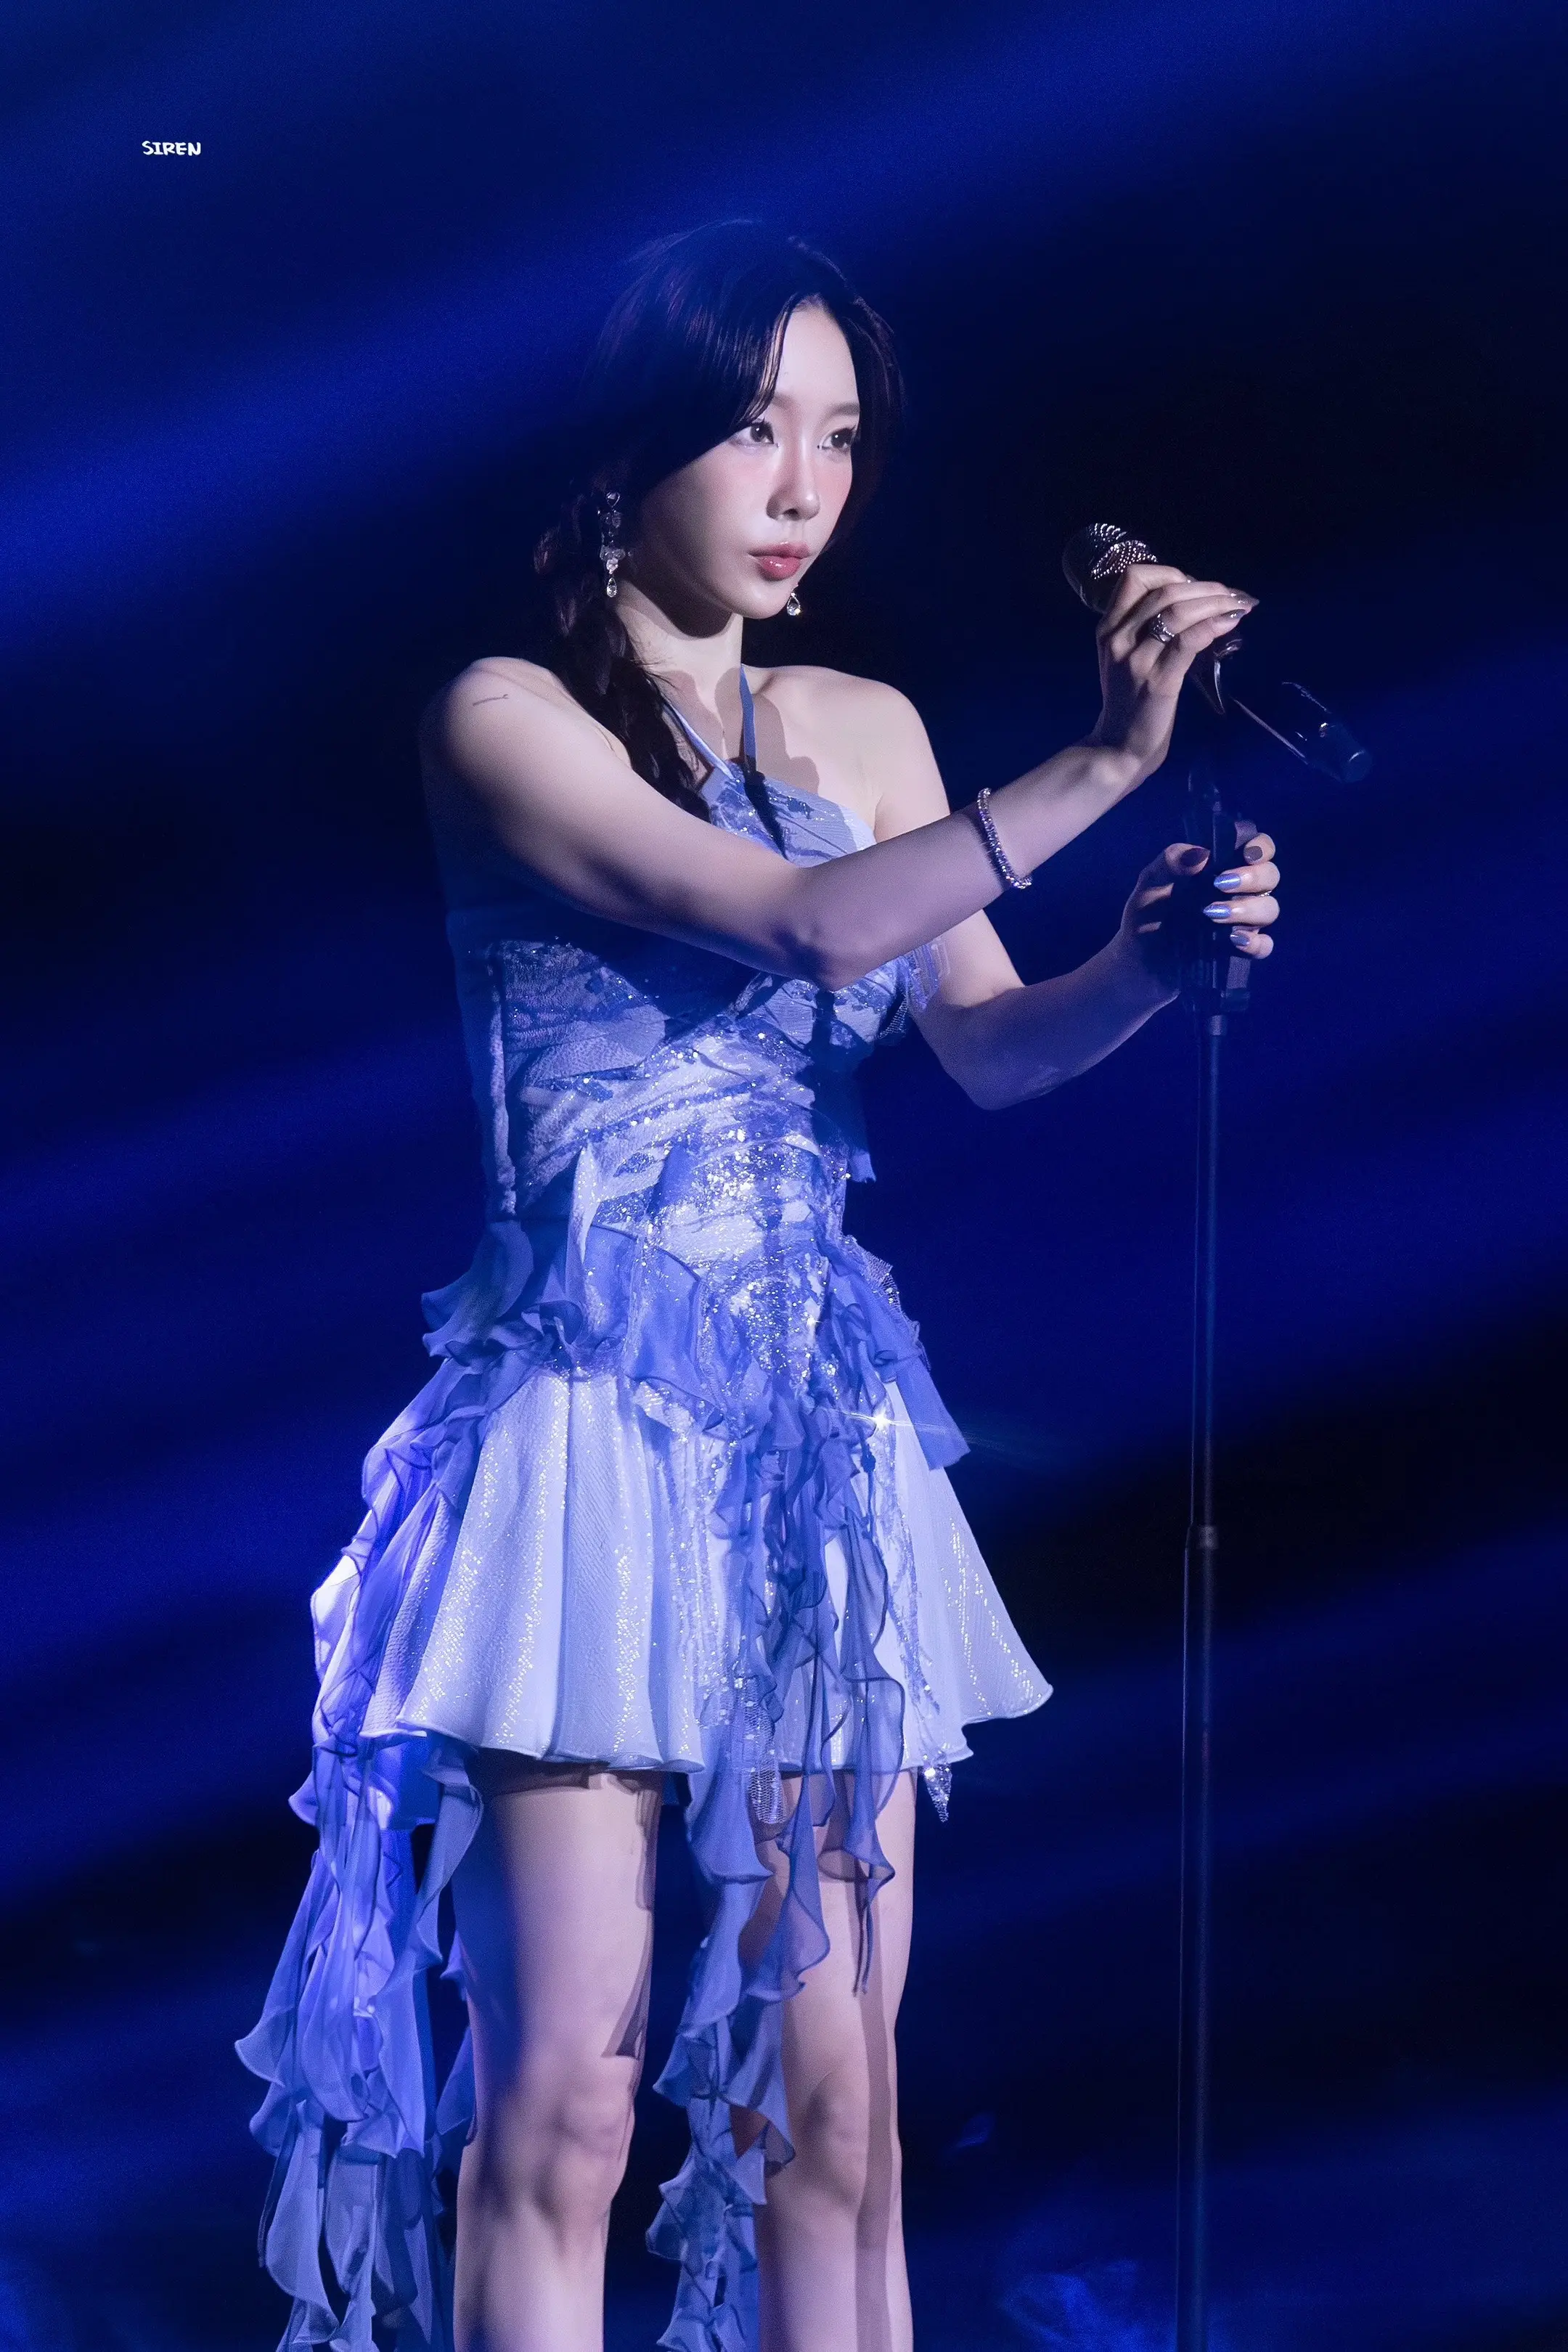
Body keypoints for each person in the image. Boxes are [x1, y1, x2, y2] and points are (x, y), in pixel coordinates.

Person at [238, 219, 1281, 2352]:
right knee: (568, 2098)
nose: (805, 487)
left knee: (839, 2105)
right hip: (584, 1429)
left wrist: (1142, 967)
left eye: (842, 437)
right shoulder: (507, 718)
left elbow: (983, 1046)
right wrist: (1098, 767)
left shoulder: (869, 725)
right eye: (754, 428)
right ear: (631, 449)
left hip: (817, 1445)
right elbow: (802, 927)